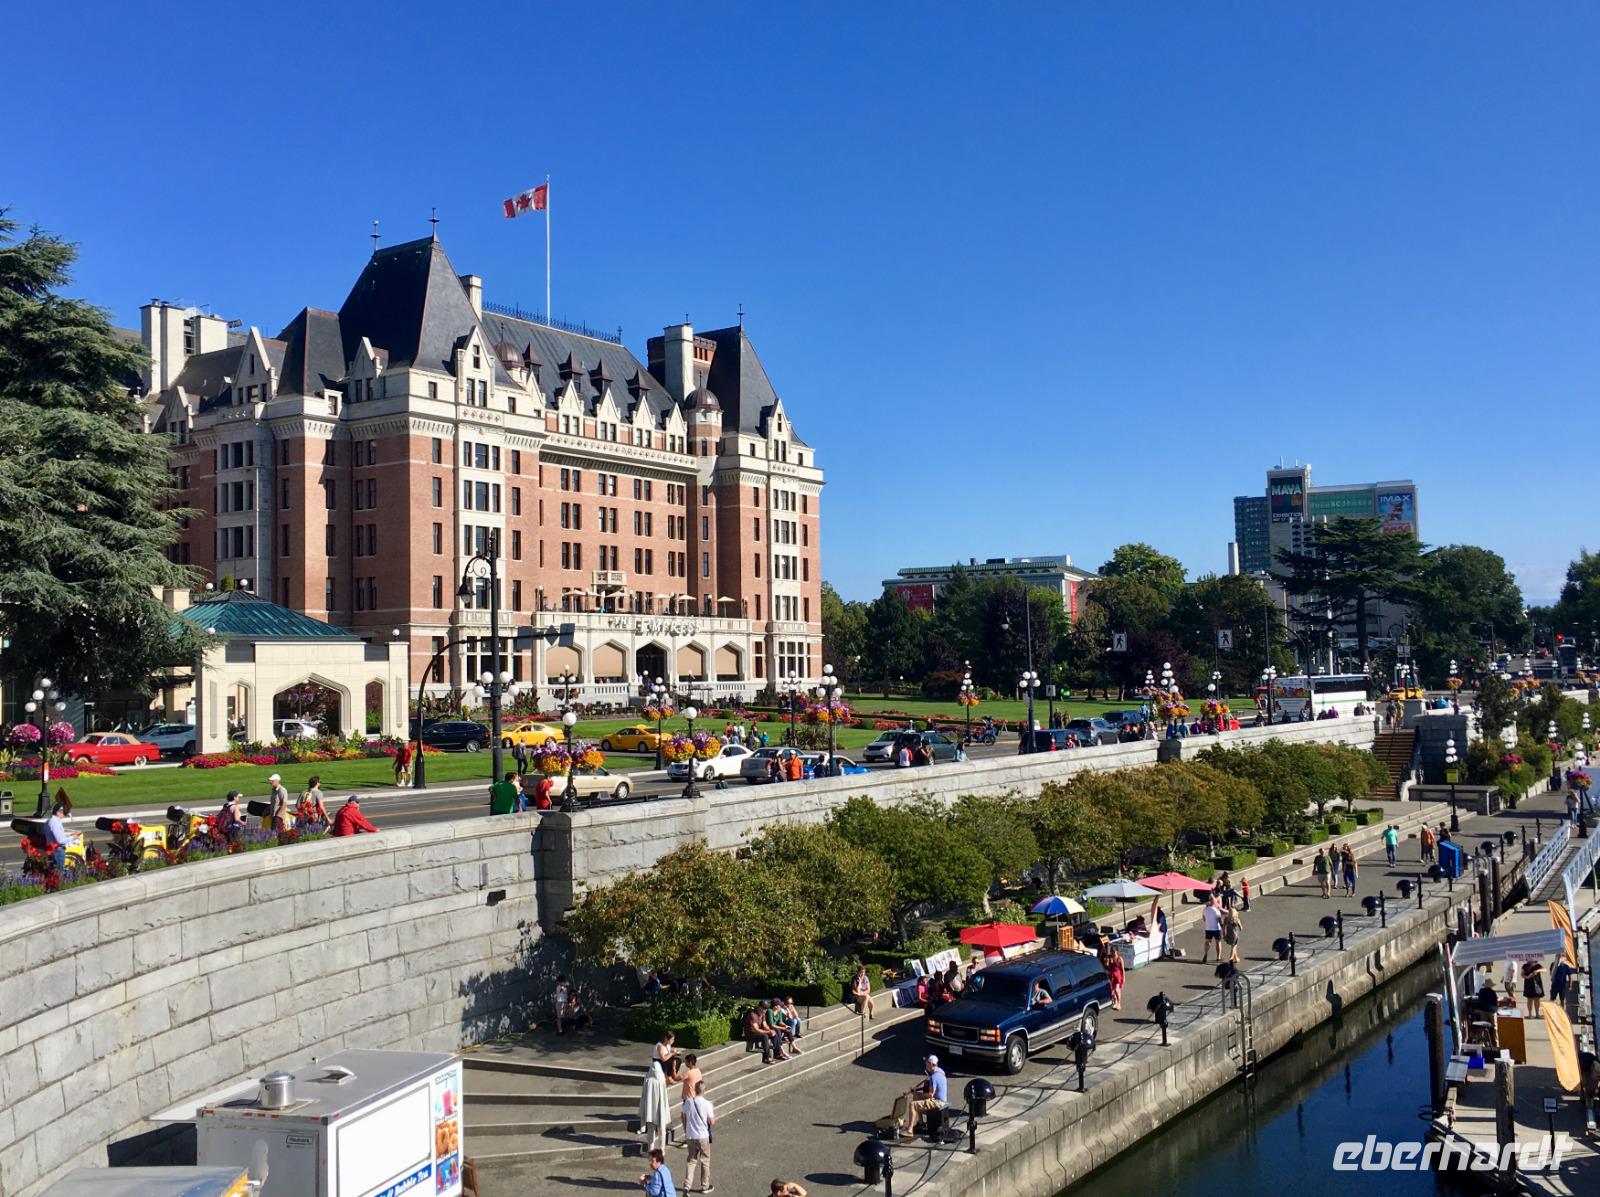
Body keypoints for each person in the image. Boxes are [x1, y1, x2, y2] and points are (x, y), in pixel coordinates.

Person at [893, 1055, 947, 1140]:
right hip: (940, 1099)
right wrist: (916, 1093)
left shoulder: (934, 1077)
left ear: (931, 1064)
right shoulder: (940, 1071)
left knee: (912, 1104)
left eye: (927, 1063)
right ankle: (921, 1123)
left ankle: (910, 1131)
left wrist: (918, 1093)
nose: (925, 1064)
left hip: (938, 1102)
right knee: (916, 1096)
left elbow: (930, 1094)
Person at [681, 1079, 714, 1194]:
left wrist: (686, 1130)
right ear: (704, 1091)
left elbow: (683, 1117)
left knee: (691, 1161)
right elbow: (711, 1121)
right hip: (702, 1136)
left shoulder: (688, 1102)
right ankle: (705, 1186)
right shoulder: (707, 1104)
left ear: (695, 1090)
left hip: (690, 1136)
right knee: (705, 1160)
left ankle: (687, 1186)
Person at [638, 1060, 670, 1154]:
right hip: (660, 1109)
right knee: (662, 1130)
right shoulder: (661, 1079)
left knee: (651, 1131)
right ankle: (662, 1149)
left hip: (650, 1109)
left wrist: (643, 1109)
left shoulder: (647, 1079)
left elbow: (644, 1095)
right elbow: (664, 1096)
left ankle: (651, 1149)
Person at [43, 799, 71, 874]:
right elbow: (60, 840)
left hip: (55, 849)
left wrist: (69, 835)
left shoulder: (53, 821)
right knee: (58, 873)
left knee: (56, 872)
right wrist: (71, 838)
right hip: (57, 850)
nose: (64, 816)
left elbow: (59, 835)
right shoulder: (54, 822)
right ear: (59, 812)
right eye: (64, 813)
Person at [1201, 895, 1224, 962]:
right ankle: (1218, 956)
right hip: (1216, 929)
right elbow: (1220, 921)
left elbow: (1204, 919)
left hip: (1208, 928)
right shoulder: (1216, 911)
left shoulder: (1205, 910)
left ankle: (1205, 954)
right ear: (1214, 902)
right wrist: (1223, 928)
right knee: (1218, 942)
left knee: (1207, 942)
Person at [1104, 942, 1126, 1009]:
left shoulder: (1120, 959)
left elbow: (1122, 969)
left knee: (1117, 989)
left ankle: (1119, 1003)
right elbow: (1106, 966)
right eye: (1111, 951)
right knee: (1111, 990)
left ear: (1117, 951)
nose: (1112, 953)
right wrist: (1106, 962)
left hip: (1117, 975)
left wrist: (1124, 978)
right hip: (1111, 975)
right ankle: (1115, 1001)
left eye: (1114, 951)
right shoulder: (1109, 957)